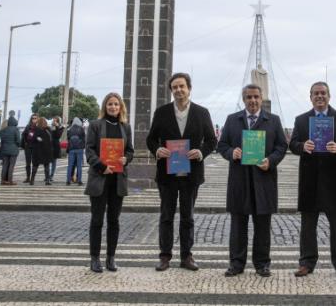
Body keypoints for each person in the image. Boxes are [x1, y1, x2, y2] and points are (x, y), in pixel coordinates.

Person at [146, 72, 217, 272]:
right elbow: (151, 139)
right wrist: (156, 150)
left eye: (181, 86)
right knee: (166, 216)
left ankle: (186, 256)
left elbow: (212, 141)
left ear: (189, 88)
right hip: (167, 174)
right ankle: (165, 256)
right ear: (171, 91)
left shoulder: (202, 113)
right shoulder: (162, 112)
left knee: (188, 217)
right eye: (174, 87)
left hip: (191, 174)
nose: (178, 90)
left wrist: (201, 152)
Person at [216, 84, 287, 277]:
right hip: (239, 180)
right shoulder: (232, 120)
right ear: (243, 99)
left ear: (261, 98)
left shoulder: (273, 120)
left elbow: (281, 146)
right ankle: (236, 263)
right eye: (249, 97)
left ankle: (262, 263)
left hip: (264, 179)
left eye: (256, 97)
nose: (253, 101)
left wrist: (270, 161)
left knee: (263, 226)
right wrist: (232, 152)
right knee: (238, 225)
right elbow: (221, 145)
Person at [288, 82, 336, 278]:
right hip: (309, 179)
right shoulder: (301, 120)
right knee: (308, 224)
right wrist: (302, 146)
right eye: (316, 93)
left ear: (329, 96)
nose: (320, 96)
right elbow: (292, 144)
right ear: (310, 97)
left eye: (323, 93)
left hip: (333, 179)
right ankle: (306, 263)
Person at [85, 92, 134, 273]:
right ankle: (95, 258)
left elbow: (130, 151)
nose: (113, 107)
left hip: (117, 181)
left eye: (116, 104)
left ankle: (111, 258)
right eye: (109, 104)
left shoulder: (125, 127)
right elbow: (89, 150)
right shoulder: (95, 125)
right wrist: (100, 166)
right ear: (105, 107)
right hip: (100, 178)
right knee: (97, 220)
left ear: (121, 107)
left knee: (114, 221)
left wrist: (126, 159)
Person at [0, 115, 22, 185]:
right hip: (13, 150)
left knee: (5, 165)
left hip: (4, 149)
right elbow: (18, 140)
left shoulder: (3, 130)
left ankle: (3, 180)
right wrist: (18, 145)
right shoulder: (16, 129)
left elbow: (2, 139)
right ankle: (10, 180)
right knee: (11, 165)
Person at [32, 116, 55, 185]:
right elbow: (51, 140)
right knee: (46, 166)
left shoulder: (37, 130)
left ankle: (32, 180)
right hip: (46, 150)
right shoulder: (48, 130)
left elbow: (33, 139)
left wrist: (37, 138)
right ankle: (47, 180)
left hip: (37, 151)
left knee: (35, 165)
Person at [65, 117, 86, 185]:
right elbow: (84, 139)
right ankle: (79, 180)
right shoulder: (81, 129)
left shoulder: (69, 129)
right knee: (79, 165)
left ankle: (68, 180)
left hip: (71, 149)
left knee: (70, 165)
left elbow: (68, 139)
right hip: (79, 149)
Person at [21, 115, 39, 184]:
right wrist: (25, 142)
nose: (34, 119)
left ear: (37, 119)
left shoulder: (39, 127)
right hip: (28, 147)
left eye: (35, 118)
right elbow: (23, 135)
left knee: (35, 163)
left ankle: (32, 179)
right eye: (33, 118)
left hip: (35, 147)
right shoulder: (28, 126)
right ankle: (28, 177)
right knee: (28, 163)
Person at [48, 116, 65, 184]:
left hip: (55, 146)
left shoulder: (60, 128)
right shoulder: (50, 127)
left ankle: (51, 176)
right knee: (48, 161)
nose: (54, 122)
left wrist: (57, 127)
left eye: (56, 121)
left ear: (58, 121)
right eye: (53, 120)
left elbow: (58, 136)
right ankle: (48, 175)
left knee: (54, 162)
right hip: (49, 145)